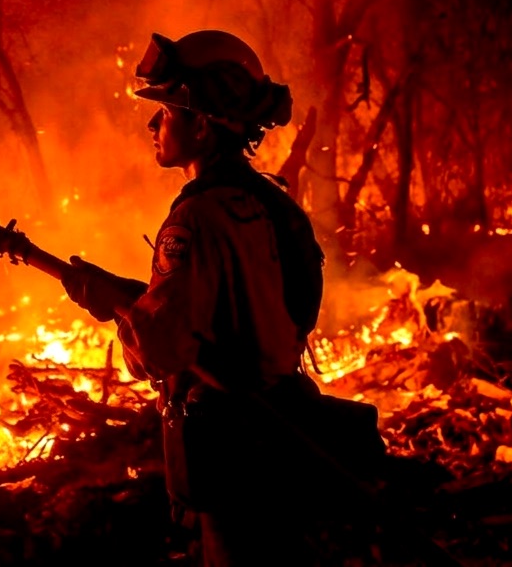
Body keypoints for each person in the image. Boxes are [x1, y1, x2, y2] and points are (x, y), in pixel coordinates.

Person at [61, 30, 383, 566]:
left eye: (165, 111)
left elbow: (163, 351)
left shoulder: (194, 219)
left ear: (203, 124)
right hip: (283, 441)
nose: (152, 124)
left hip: (234, 452)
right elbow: (255, 315)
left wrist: (111, 303)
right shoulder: (272, 206)